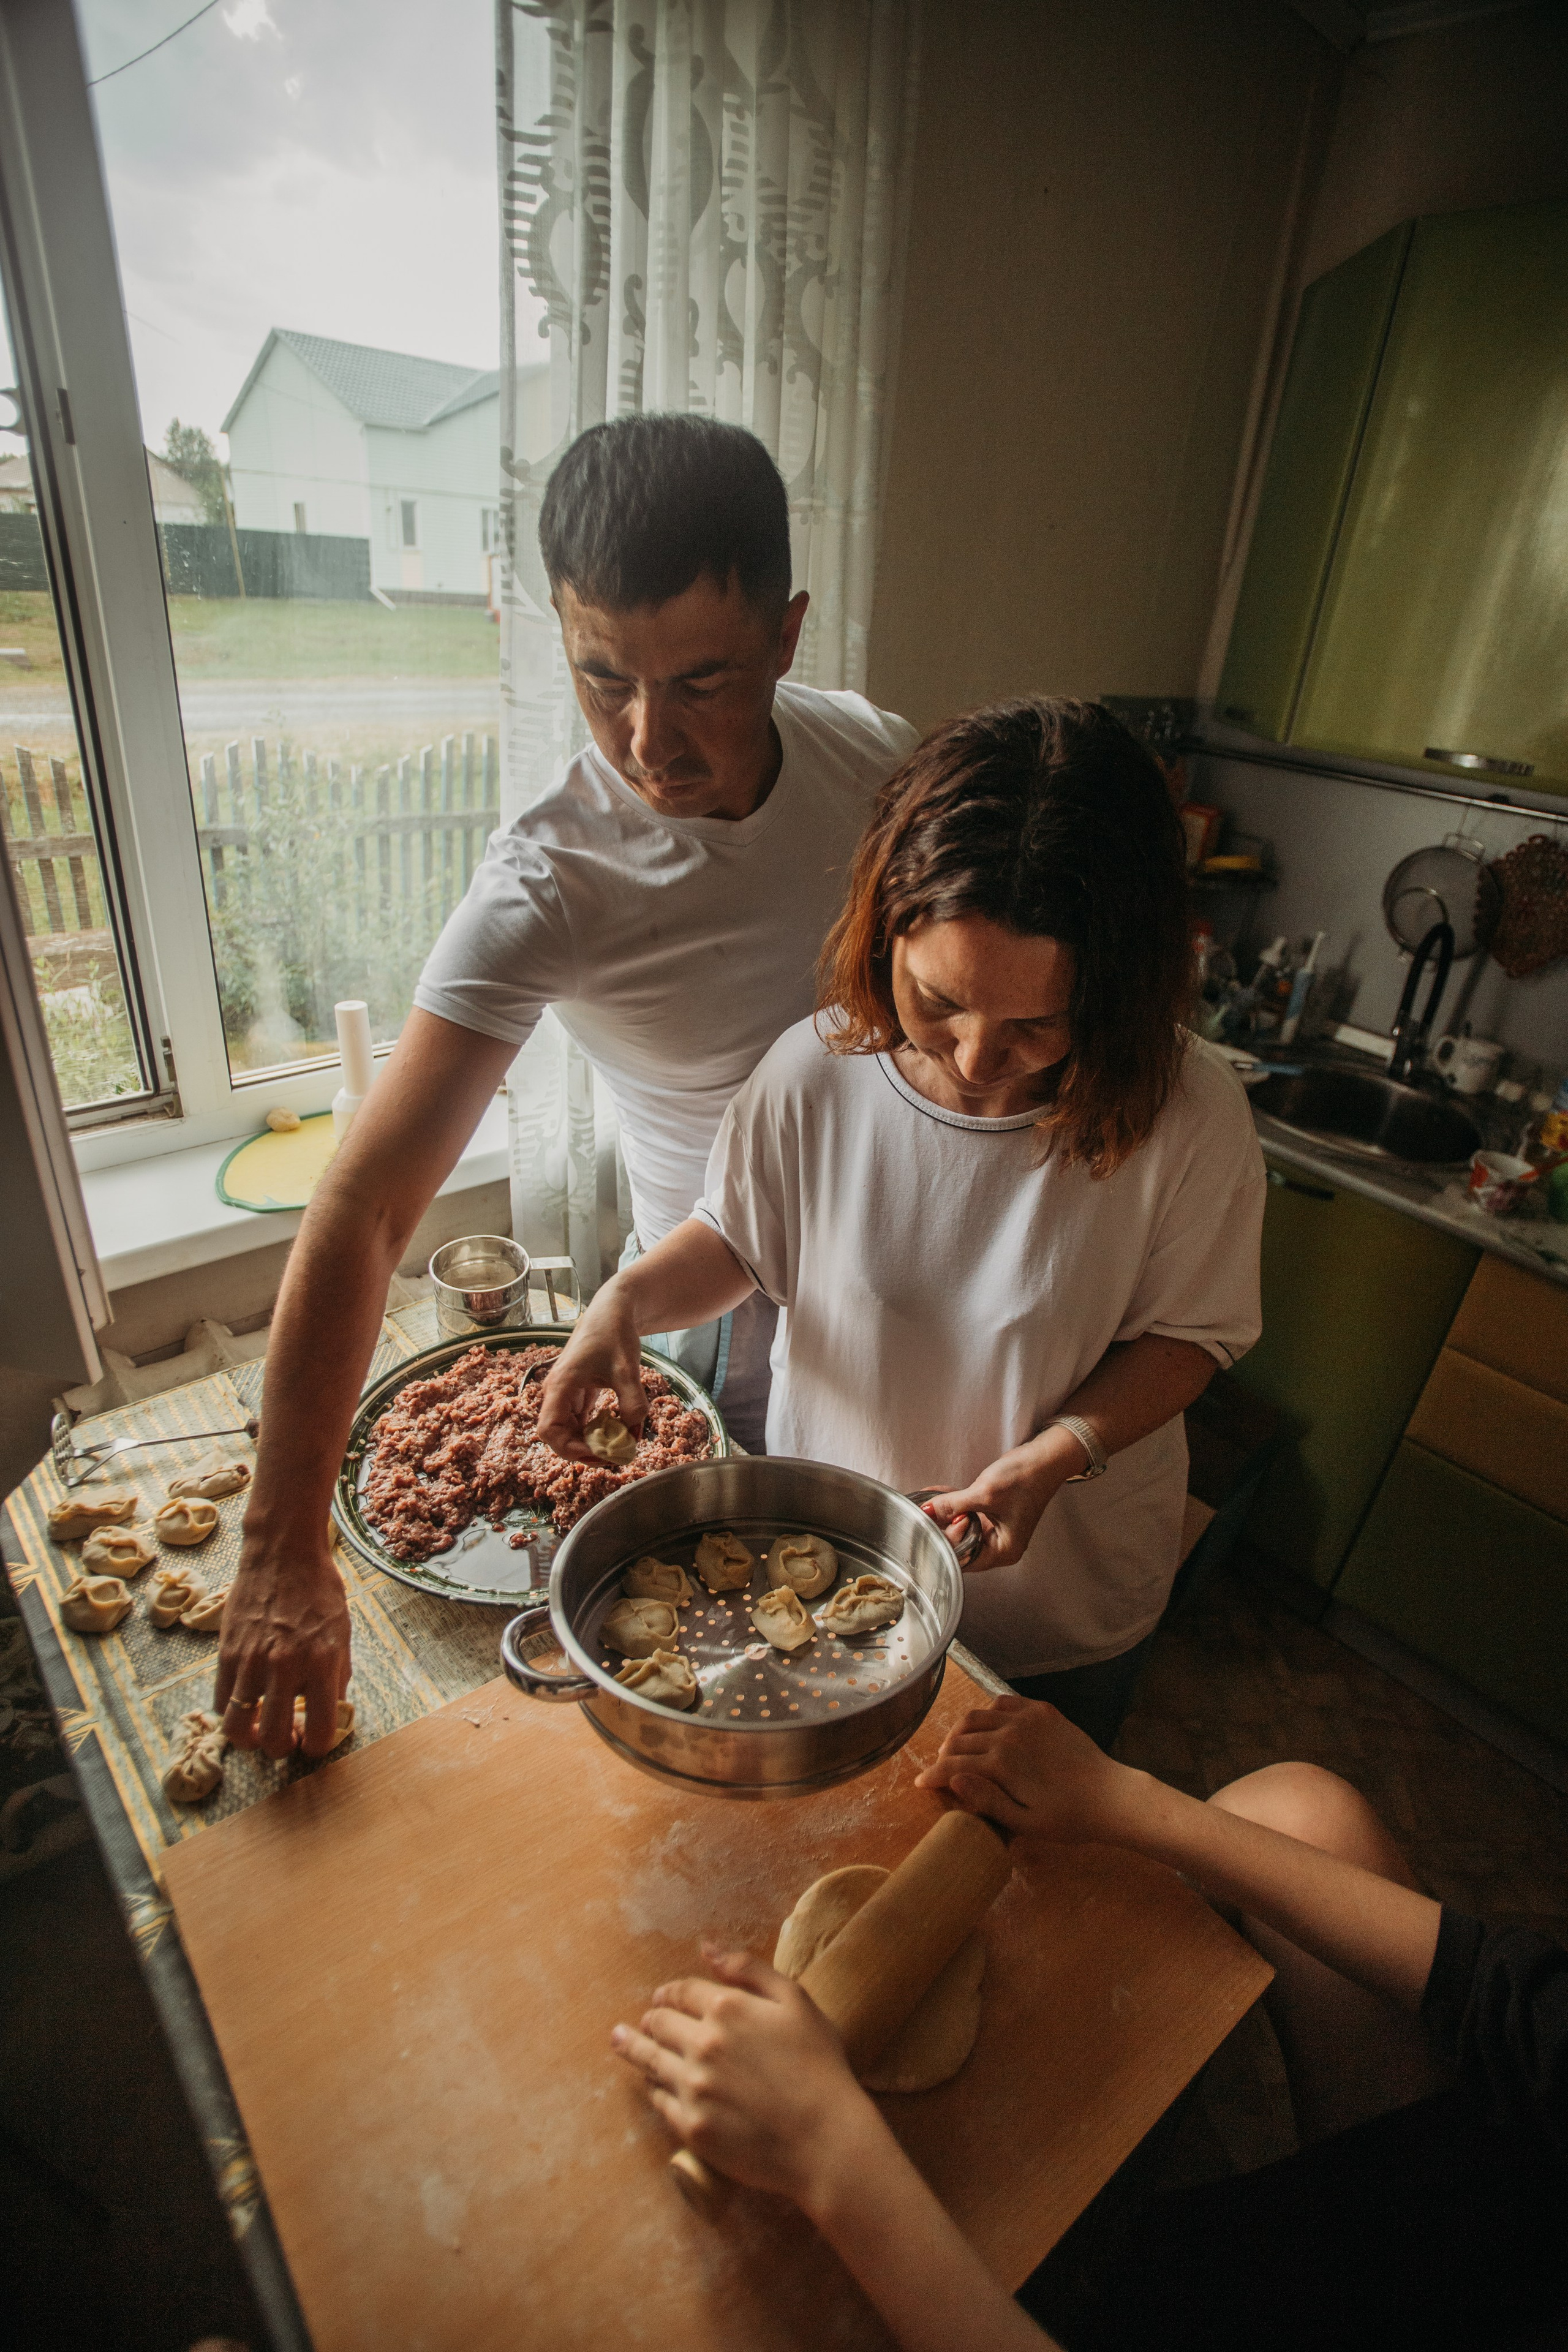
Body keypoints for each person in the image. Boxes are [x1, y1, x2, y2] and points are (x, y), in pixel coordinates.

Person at [216, 415, 915, 1758]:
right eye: (603, 680)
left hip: (904, 1262)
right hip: (719, 1304)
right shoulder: (545, 881)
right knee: (729, 1664)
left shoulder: (873, 758)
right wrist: (278, 1545)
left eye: (703, 680)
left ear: (786, 633)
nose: (648, 739)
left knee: (889, 1649)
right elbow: (362, 1207)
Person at [538, 699, 1266, 1738]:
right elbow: (739, 1242)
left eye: (1038, 1024)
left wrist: (1052, 1460)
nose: (973, 1059)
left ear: (1123, 992)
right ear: (886, 930)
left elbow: (1189, 1337)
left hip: (1057, 1597)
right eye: (938, 1001)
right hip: (830, 1572)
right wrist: (620, 1305)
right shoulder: (816, 1070)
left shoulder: (1189, 1118)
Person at [611, 1697, 1568, 2352]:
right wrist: (1124, 1799)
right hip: (1476, 2199)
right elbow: (1509, 1996)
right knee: (1301, 1809)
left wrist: (830, 2150)